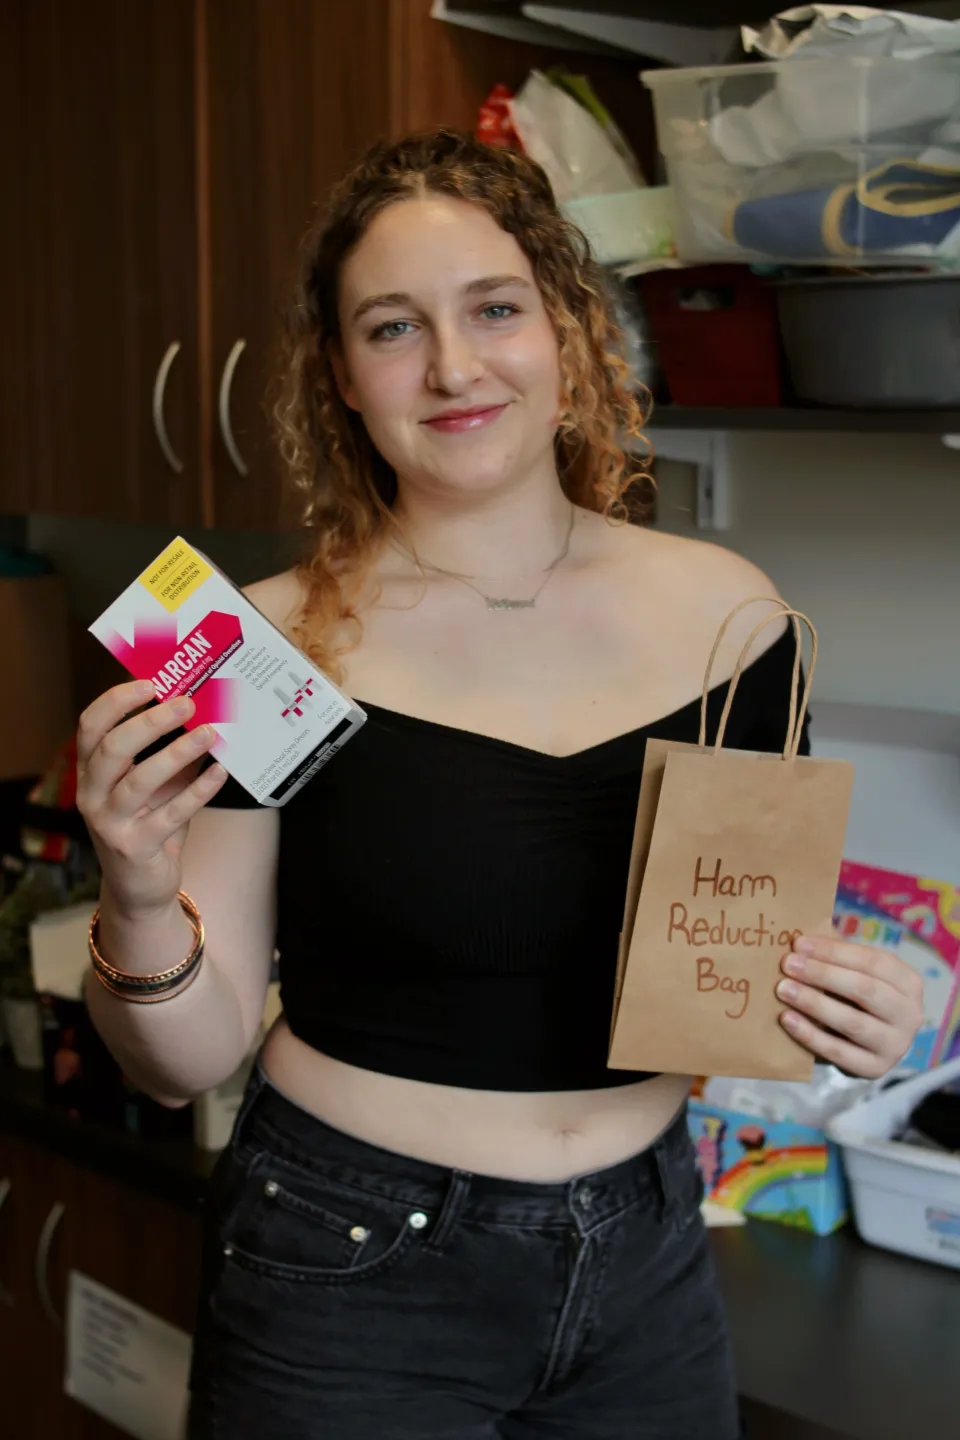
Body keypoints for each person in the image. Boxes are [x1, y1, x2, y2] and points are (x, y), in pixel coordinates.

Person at [76, 130, 922, 1440]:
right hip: (347, 1268)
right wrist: (135, 894)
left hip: (648, 1255)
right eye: (393, 328)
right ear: (342, 378)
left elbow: (732, 974)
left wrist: (845, 1017)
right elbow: (186, 1059)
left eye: (494, 309)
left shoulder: (734, 622)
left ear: (568, 336)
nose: (455, 366)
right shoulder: (260, 649)